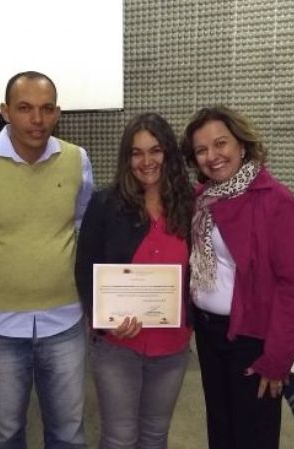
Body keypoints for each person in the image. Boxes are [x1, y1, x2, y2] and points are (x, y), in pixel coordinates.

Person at [0, 71, 94, 449]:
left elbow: (82, 225)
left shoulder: (77, 159)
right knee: (5, 435)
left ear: (58, 113)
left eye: (46, 109)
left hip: (65, 321)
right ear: (5, 111)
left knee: (69, 434)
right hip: (0, 327)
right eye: (24, 109)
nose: (37, 120)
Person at [180, 105, 294, 449]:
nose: (212, 156)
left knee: (253, 435)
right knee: (220, 428)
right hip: (210, 334)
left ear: (241, 144)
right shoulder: (203, 200)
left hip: (252, 340)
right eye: (201, 150)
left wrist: (278, 359)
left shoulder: (277, 202)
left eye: (220, 143)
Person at [75, 113, 195, 449]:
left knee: (155, 436)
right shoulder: (105, 204)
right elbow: (85, 268)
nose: (146, 161)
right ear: (127, 158)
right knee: (119, 437)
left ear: (168, 153)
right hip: (118, 345)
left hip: (171, 345)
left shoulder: (190, 204)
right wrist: (104, 321)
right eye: (136, 153)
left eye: (155, 150)